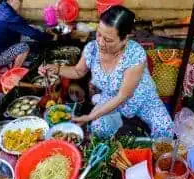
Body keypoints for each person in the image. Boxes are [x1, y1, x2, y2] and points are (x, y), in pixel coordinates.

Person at [39, 6, 173, 139]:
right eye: (98, 34)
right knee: (98, 129)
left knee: (165, 128)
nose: (101, 42)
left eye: (108, 39)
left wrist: (91, 115)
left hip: (143, 98)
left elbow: (122, 96)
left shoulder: (135, 53)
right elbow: (78, 71)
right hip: (110, 98)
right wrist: (56, 69)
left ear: (124, 39)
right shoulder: (92, 49)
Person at [0, 0, 57, 68]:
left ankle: (15, 61)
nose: (21, 6)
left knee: (27, 30)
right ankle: (14, 73)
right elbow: (32, 33)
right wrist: (50, 38)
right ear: (12, 0)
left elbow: (24, 26)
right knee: (23, 47)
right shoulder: (9, 15)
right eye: (20, 2)